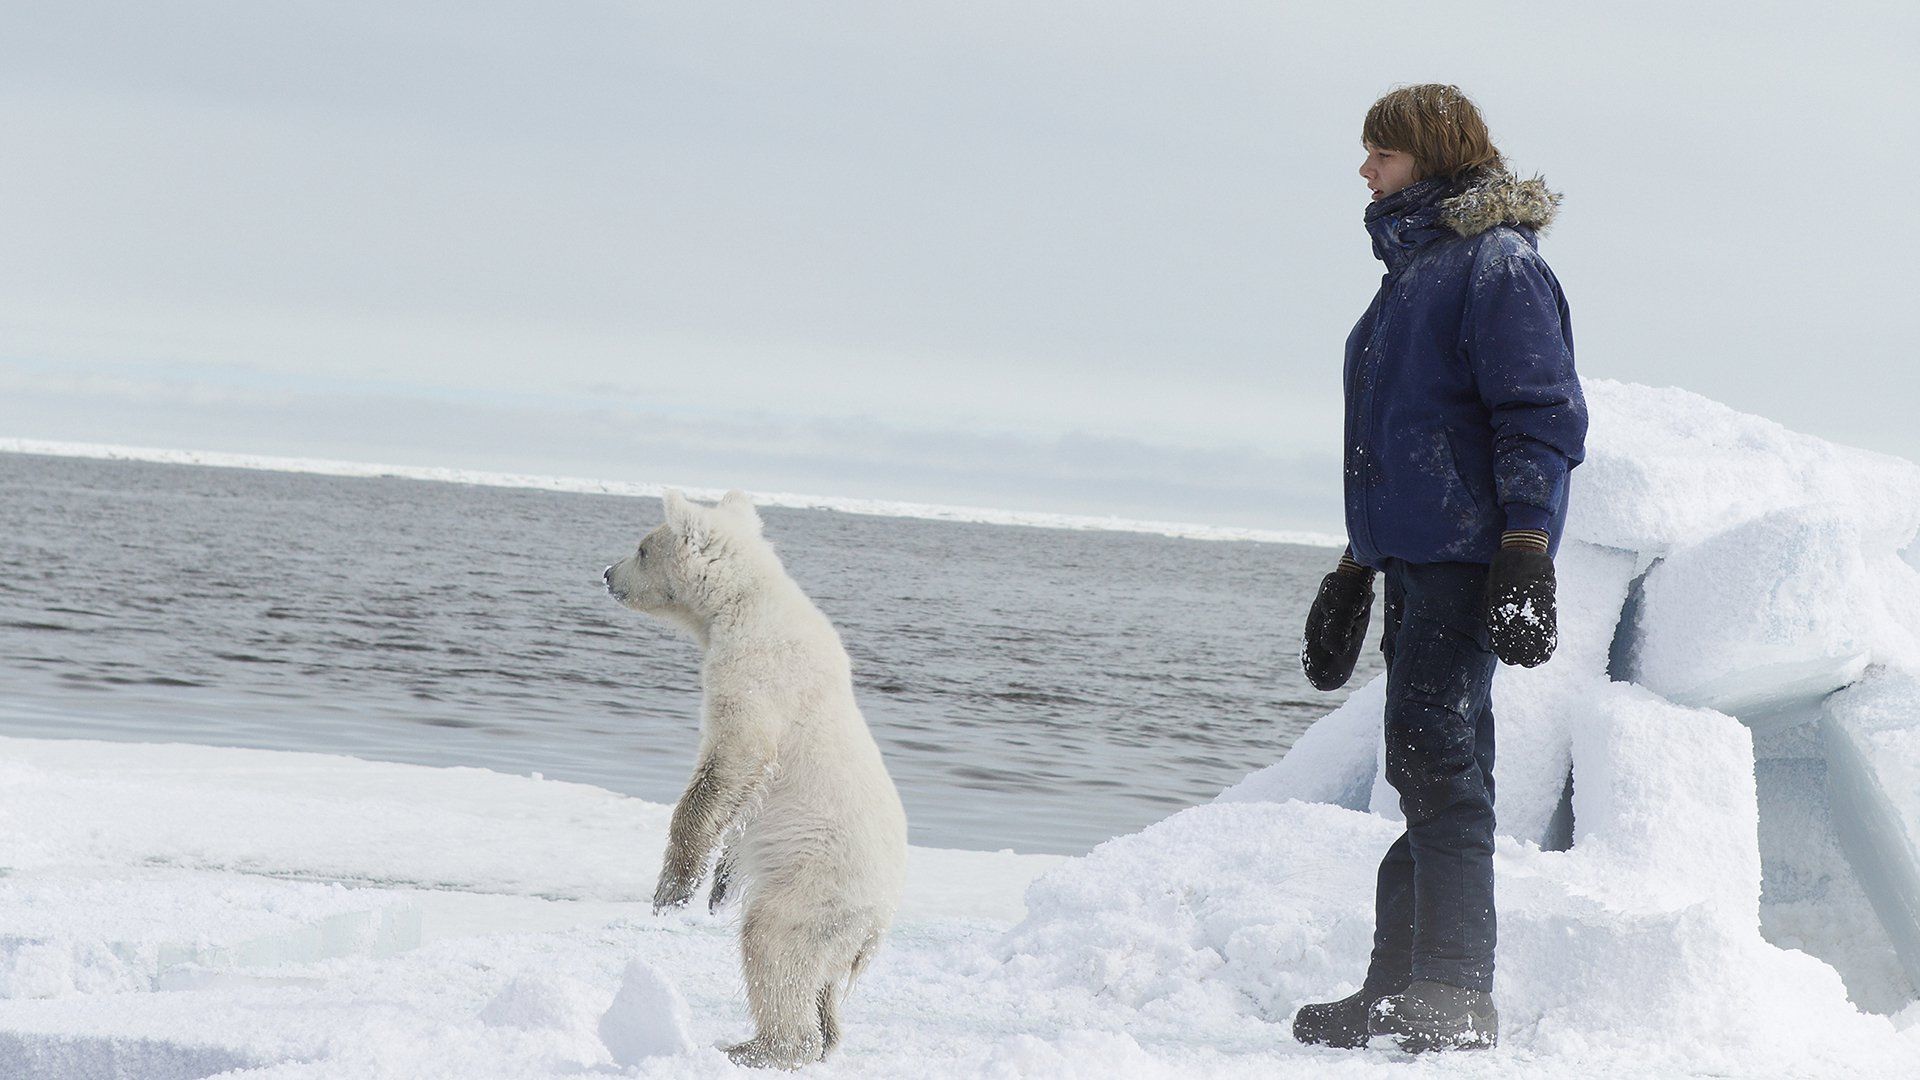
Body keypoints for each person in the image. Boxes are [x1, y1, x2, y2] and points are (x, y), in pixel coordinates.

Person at [1293, 84, 1588, 1053]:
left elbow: (1538, 417)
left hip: (1470, 561)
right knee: (1428, 761)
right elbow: (1392, 445)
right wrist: (1353, 569)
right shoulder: (1410, 280)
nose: (1365, 171)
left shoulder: (1497, 269)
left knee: (1436, 758)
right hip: (1414, 562)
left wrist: (1525, 552)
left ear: (1429, 153)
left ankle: (1457, 990)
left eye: (1381, 153)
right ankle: (1399, 986)